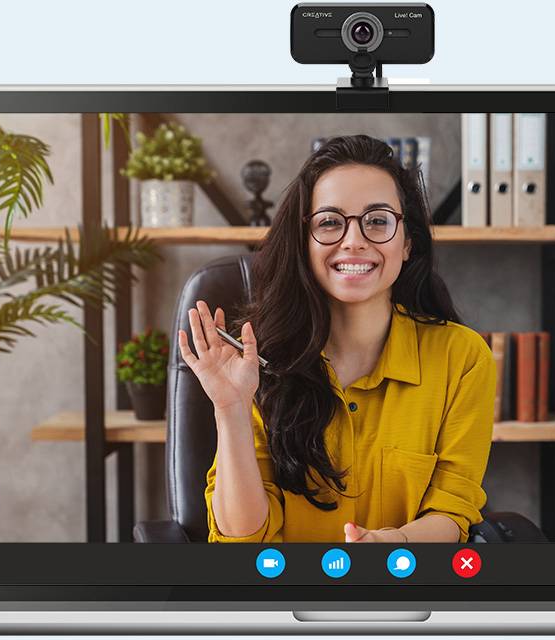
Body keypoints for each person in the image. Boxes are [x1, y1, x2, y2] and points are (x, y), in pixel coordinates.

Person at [177, 134, 495, 544]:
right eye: (329, 221)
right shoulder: (256, 361)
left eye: (378, 220)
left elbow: (453, 513)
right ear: (304, 243)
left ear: (407, 242)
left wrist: (386, 545)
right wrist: (231, 408)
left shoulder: (462, 358)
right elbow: (241, 538)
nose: (354, 240)